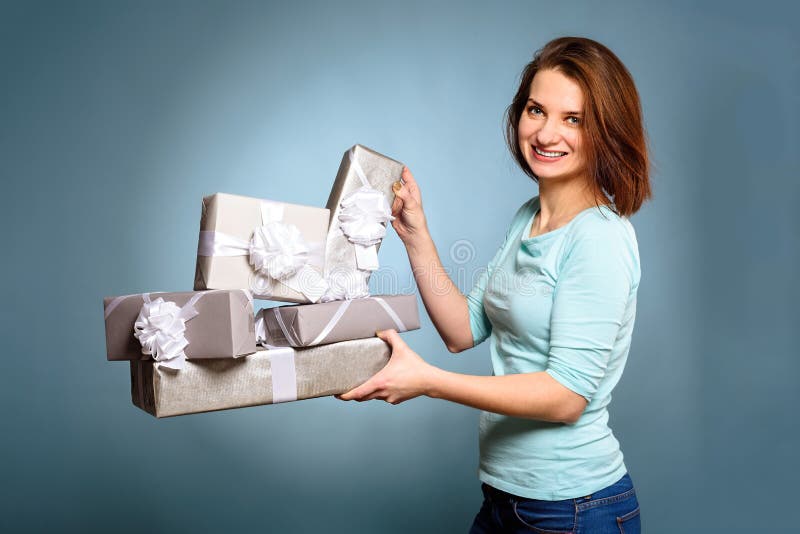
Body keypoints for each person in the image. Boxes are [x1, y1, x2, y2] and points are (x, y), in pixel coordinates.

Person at [338, 36, 651, 533]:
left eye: (574, 119)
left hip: (573, 507)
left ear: (607, 132)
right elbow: (464, 329)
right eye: (536, 110)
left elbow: (567, 396)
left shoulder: (599, 239)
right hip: (507, 499)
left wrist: (428, 382)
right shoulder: (529, 218)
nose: (547, 133)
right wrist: (417, 235)